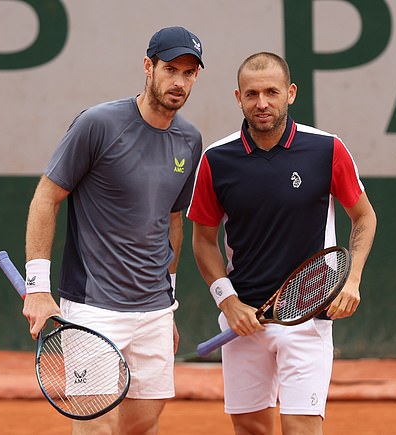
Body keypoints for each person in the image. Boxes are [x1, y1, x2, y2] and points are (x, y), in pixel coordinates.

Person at [21, 26, 204, 435]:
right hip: (93, 307)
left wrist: (169, 298)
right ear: (148, 67)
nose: (179, 81)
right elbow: (45, 198)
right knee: (97, 426)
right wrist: (37, 286)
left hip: (155, 309)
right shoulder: (98, 124)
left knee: (142, 423)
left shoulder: (190, 140)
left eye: (189, 73)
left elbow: (173, 221)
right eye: (170, 69)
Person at [187, 52, 377, 435]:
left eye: (272, 92)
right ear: (237, 98)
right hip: (244, 321)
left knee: (302, 429)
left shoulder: (327, 149)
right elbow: (204, 241)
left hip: (309, 316)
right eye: (252, 94)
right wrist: (228, 302)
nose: (262, 103)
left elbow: (365, 217)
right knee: (251, 430)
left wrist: (352, 278)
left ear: (290, 93)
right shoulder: (216, 159)